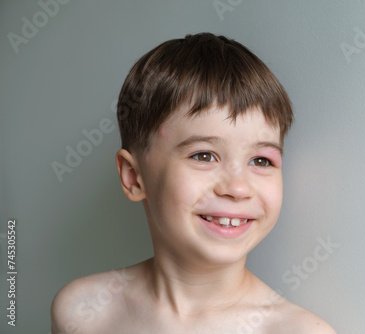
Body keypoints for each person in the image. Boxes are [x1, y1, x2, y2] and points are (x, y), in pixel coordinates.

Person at [51, 32, 336, 334]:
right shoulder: (82, 311)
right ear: (134, 178)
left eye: (261, 161)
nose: (237, 188)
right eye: (204, 155)